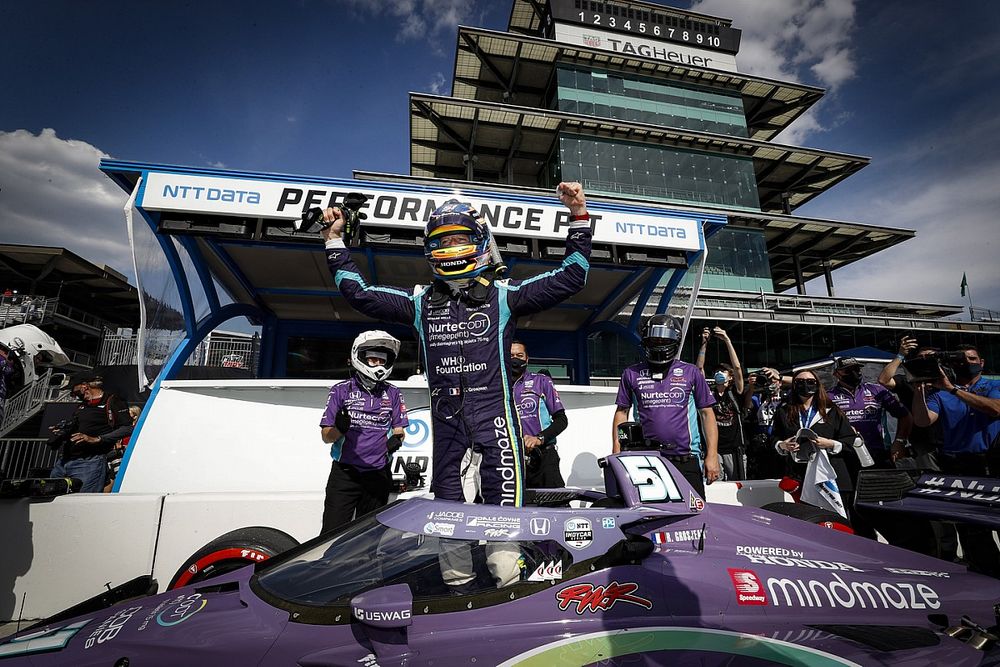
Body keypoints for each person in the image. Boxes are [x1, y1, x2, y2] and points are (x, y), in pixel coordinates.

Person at [321, 183, 591, 508]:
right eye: (443, 241)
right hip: (448, 427)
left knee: (503, 538)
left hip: (496, 424)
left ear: (478, 243)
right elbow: (359, 294)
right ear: (430, 248)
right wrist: (333, 239)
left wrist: (578, 215)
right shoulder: (420, 301)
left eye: (459, 239)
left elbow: (572, 277)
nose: (451, 246)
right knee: (450, 527)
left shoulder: (503, 295)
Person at [910, 344, 1000, 577]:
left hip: (993, 461)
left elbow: (996, 409)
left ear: (981, 363)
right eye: (961, 359)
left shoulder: (993, 385)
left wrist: (954, 390)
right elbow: (922, 421)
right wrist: (919, 390)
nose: (966, 362)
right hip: (959, 464)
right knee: (971, 528)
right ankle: (986, 574)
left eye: (971, 358)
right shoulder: (939, 393)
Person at [612, 314, 720, 497]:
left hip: (685, 458)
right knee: (651, 517)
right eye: (654, 340)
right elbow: (622, 413)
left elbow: (707, 414)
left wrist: (712, 455)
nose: (659, 344)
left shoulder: (691, 372)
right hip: (646, 460)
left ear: (675, 341)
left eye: (663, 340)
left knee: (694, 516)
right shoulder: (631, 373)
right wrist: (616, 450)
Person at [319, 331, 408, 533]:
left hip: (378, 474)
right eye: (372, 359)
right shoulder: (340, 390)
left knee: (368, 539)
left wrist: (396, 440)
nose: (378, 365)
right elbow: (326, 437)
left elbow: (399, 430)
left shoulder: (393, 392)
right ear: (359, 357)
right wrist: (339, 430)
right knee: (331, 536)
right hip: (345, 474)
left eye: (382, 360)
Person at [772, 369, 860, 524]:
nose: (805, 385)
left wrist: (830, 444)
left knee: (838, 520)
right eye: (800, 382)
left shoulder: (831, 410)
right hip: (801, 476)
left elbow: (850, 441)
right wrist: (783, 445)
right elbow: (774, 438)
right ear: (793, 386)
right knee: (809, 521)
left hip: (832, 475)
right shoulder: (784, 411)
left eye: (810, 381)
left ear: (817, 385)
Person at [49, 372, 133, 493]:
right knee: (52, 500)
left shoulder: (112, 400)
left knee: (82, 504)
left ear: (84, 386)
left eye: (76, 392)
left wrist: (98, 439)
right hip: (64, 462)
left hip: (89, 463)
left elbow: (127, 428)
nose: (74, 395)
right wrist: (62, 432)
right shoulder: (81, 406)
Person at [828, 357, 912, 469]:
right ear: (836, 374)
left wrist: (900, 441)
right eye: (847, 371)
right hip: (844, 452)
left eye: (856, 369)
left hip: (877, 451)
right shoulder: (827, 396)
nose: (853, 373)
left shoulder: (876, 390)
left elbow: (905, 415)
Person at [877, 337, 944, 470]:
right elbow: (884, 380)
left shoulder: (946, 382)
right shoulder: (907, 381)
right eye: (920, 357)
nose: (924, 360)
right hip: (923, 443)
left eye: (929, 357)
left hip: (952, 441)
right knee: (933, 483)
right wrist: (901, 355)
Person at [510, 340, 568, 489]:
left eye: (519, 355)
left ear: (527, 359)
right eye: (511, 356)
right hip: (513, 460)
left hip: (544, 456)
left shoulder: (541, 381)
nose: (515, 359)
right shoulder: (499, 388)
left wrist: (539, 438)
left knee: (556, 506)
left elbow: (562, 420)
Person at [696, 326, 746, 481]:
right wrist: (704, 344)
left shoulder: (735, 392)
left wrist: (727, 340)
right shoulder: (708, 392)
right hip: (714, 450)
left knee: (737, 483)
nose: (719, 373)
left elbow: (737, 367)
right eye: (717, 371)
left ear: (730, 377)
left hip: (734, 449)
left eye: (723, 371)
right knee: (715, 485)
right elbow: (698, 370)